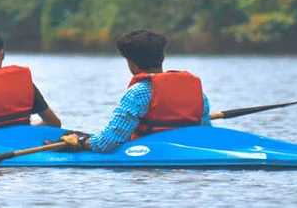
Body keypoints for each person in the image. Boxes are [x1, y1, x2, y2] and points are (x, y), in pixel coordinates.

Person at [55, 28, 211, 152]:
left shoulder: (139, 92)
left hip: (149, 154)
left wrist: (81, 142)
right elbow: (205, 131)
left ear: (132, 64)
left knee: (70, 135)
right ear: (162, 58)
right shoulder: (198, 93)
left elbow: (107, 143)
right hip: (189, 150)